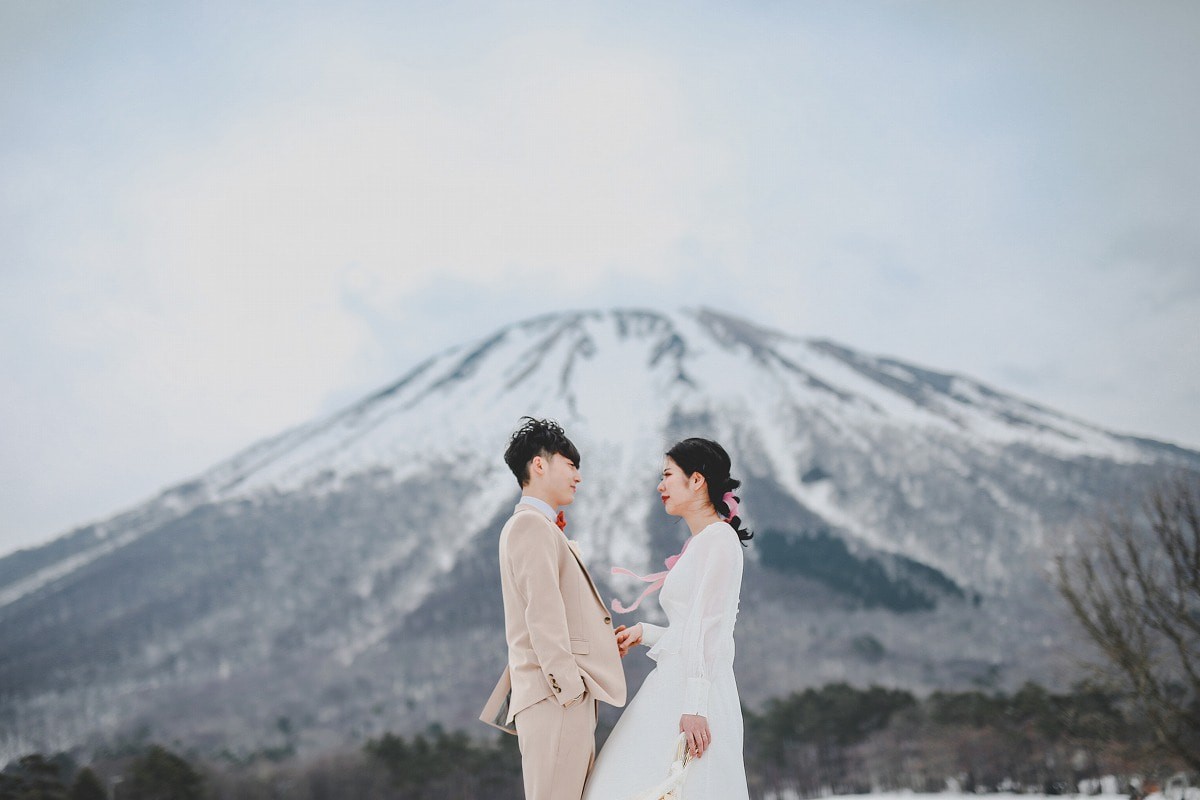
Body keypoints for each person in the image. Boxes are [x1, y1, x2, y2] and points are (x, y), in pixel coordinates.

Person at [582, 437, 751, 800]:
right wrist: (645, 633)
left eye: (668, 475)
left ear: (696, 481)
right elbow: (691, 628)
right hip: (677, 683)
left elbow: (710, 631)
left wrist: (694, 707)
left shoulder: (719, 540)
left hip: (692, 693)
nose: (660, 485)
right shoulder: (704, 541)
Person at [479, 417, 627, 800]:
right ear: (539, 465)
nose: (578, 477)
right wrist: (569, 689)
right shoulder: (530, 525)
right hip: (556, 695)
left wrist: (600, 646)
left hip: (561, 696)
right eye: (571, 465)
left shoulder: (542, 527)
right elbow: (542, 616)